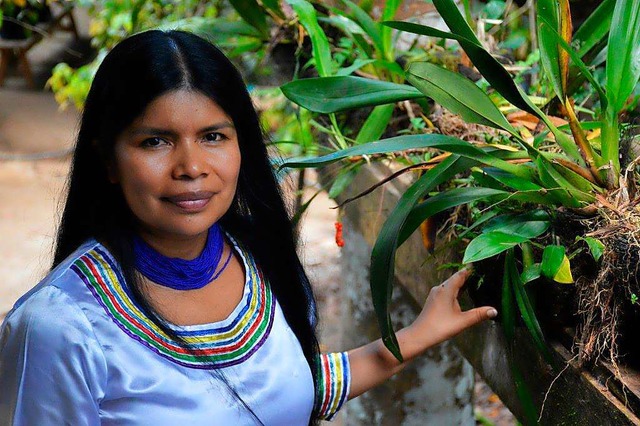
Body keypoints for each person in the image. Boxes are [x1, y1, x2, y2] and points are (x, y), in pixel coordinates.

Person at [0, 30, 497, 425]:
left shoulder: (255, 256)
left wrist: (416, 335)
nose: (191, 166)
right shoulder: (60, 329)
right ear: (107, 159)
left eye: (213, 136)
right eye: (155, 141)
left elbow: (288, 392)